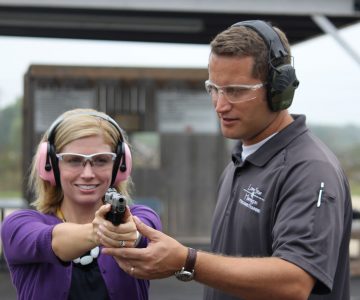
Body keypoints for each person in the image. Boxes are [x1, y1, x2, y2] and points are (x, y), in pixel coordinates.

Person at [102, 20, 353, 300]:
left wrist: (187, 261)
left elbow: (295, 282)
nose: (220, 105)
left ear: (279, 90)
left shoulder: (309, 170)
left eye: (235, 91)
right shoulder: (240, 160)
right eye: (214, 88)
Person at [1, 108, 162, 300]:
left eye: (101, 160)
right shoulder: (19, 225)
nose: (87, 174)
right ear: (50, 165)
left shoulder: (141, 217)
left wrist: (132, 235)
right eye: (74, 160)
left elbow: (144, 233)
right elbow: (51, 241)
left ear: (120, 165)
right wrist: (103, 232)